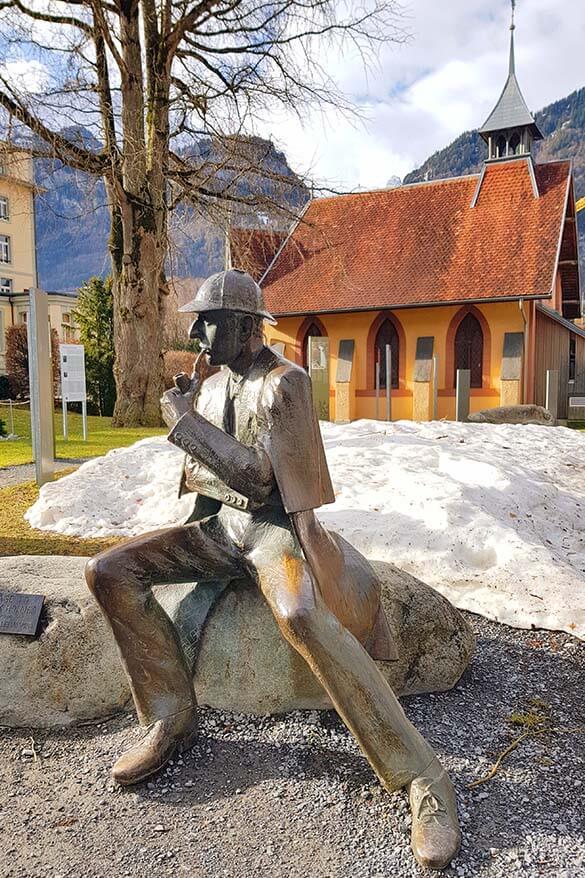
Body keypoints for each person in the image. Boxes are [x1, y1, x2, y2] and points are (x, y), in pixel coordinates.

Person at [85, 268, 461, 870]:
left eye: (209, 323)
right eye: (199, 325)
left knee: (301, 612)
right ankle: (167, 714)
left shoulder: (287, 384)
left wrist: (187, 428)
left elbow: (262, 481)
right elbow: (209, 482)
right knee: (108, 570)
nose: (200, 337)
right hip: (219, 532)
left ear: (242, 324)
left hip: (273, 533)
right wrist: (203, 436)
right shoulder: (206, 388)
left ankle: (423, 778)